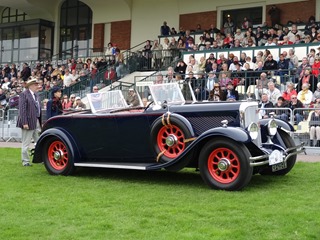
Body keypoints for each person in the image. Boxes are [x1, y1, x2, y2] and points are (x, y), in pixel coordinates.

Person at [16, 78, 41, 166]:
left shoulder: (36, 95)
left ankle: (41, 158)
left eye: (37, 84)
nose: (37, 86)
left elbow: (37, 109)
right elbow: (22, 110)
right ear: (30, 86)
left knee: (39, 141)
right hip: (27, 122)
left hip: (35, 121)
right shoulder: (24, 94)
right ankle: (25, 161)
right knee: (26, 142)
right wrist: (24, 122)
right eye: (35, 84)